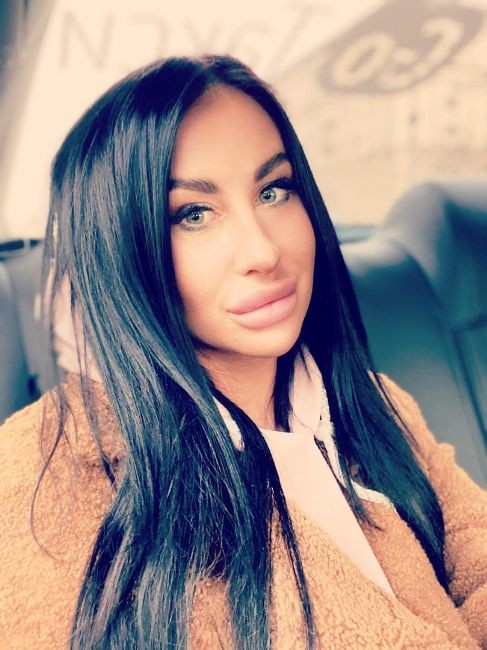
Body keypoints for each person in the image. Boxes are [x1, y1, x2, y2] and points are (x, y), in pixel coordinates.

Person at [0, 55, 486, 650]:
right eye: (194, 215)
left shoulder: (377, 405)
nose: (262, 251)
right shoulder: (43, 474)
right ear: (118, 250)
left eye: (273, 191)